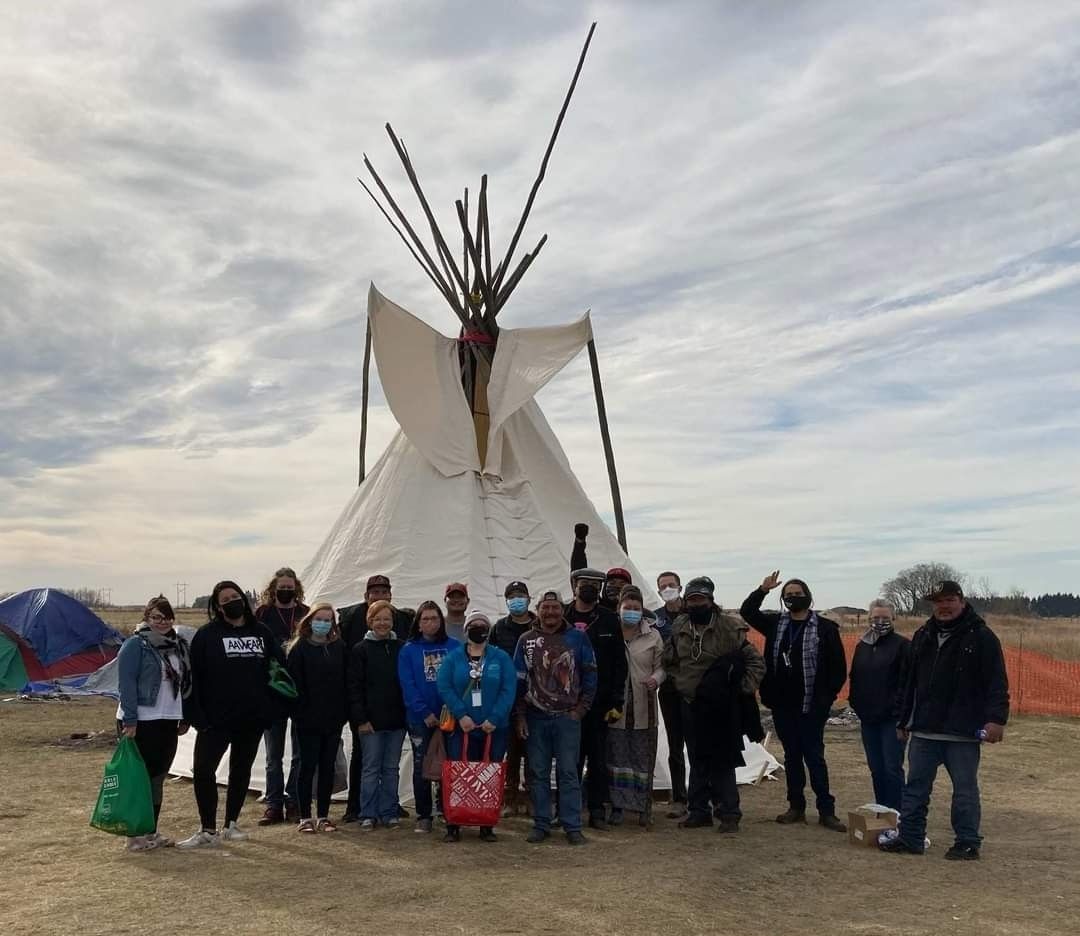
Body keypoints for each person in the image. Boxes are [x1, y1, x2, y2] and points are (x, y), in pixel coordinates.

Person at [881, 581, 1009, 860]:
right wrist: (903, 719)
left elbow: (996, 682)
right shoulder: (923, 635)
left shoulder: (982, 636)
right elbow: (908, 682)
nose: (943, 606)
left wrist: (996, 719)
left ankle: (967, 842)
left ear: (961, 601)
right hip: (924, 731)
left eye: (949, 600)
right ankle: (911, 838)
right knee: (915, 788)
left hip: (962, 732)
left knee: (964, 790)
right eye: (938, 602)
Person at [179, 581, 283, 849]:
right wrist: (195, 714)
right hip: (215, 719)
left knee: (241, 769)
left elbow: (278, 670)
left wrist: (269, 708)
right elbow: (193, 678)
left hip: (251, 718)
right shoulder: (206, 635)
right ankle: (207, 828)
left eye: (235, 596)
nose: (232, 602)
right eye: (225, 599)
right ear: (218, 606)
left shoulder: (261, 633)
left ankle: (231, 824)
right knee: (203, 770)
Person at [740, 572, 848, 832]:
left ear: (808, 597)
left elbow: (837, 670)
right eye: (788, 595)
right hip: (782, 704)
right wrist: (762, 589)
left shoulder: (825, 628)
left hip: (813, 704)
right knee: (791, 756)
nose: (793, 598)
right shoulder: (776, 624)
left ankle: (826, 810)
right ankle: (796, 806)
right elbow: (748, 611)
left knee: (814, 756)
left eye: (798, 594)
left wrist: (826, 699)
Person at [665, 578, 765, 833]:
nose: (696, 603)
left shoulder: (729, 628)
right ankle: (699, 811)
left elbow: (755, 662)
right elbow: (670, 659)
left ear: (711, 601)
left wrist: (739, 688)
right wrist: (680, 682)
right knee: (697, 758)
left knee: (722, 758)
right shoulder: (679, 626)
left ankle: (729, 812)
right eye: (692, 599)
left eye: (701, 599)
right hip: (690, 702)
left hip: (720, 705)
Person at [515, 589, 598, 846]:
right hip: (536, 716)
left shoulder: (578, 638)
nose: (550, 612)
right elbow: (518, 680)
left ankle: (572, 825)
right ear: (538, 610)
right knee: (537, 773)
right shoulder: (526, 640)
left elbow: (590, 673)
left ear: (562, 610)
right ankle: (541, 823)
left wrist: (581, 709)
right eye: (545, 607)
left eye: (555, 607)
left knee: (568, 773)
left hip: (567, 717)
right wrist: (520, 716)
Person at [115, 595, 191, 851]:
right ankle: (133, 835)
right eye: (156, 617)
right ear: (146, 617)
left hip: (167, 718)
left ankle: (150, 831)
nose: (162, 622)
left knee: (157, 778)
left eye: (167, 617)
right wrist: (130, 719)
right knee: (140, 779)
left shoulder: (177, 645)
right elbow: (126, 683)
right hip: (142, 719)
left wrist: (184, 716)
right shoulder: (135, 645)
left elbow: (185, 683)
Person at [437, 610, 517, 842]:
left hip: (494, 727)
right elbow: (444, 686)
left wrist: (495, 717)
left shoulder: (500, 658)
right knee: (460, 773)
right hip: (463, 727)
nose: (478, 629)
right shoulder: (454, 658)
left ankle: (486, 822)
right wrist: (461, 715)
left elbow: (508, 689)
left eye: (482, 625)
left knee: (488, 773)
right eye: (474, 625)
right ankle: (454, 823)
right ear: (466, 630)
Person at [338, 574, 412, 822]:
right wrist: (359, 717)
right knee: (368, 766)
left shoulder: (401, 647)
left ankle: (389, 809)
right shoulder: (360, 648)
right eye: (378, 619)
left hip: (395, 718)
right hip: (369, 719)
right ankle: (363, 810)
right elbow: (354, 686)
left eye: (387, 619)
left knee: (390, 768)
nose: (382, 623)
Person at [565, 565, 626, 831]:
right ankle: (570, 809)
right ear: (574, 586)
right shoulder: (562, 616)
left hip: (599, 702)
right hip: (567, 702)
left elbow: (618, 664)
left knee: (598, 759)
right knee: (571, 759)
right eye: (583, 582)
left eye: (594, 583)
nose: (588, 587)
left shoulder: (609, 619)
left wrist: (616, 700)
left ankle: (597, 810)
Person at [254, 566, 310, 826]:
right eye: (281, 587)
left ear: (295, 587)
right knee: (273, 754)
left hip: (300, 690)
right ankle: (274, 803)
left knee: (300, 753)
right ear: (274, 588)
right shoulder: (262, 614)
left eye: (290, 586)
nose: (285, 590)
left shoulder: (306, 613)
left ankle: (294, 800)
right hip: (272, 692)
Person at [398, 601, 460, 833]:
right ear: (418, 623)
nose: (430, 623)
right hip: (419, 718)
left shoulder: (454, 647)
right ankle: (424, 814)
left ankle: (445, 809)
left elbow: (460, 679)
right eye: (425, 619)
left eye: (434, 618)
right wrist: (424, 712)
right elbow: (408, 685)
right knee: (421, 764)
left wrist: (451, 709)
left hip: (450, 715)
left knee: (448, 763)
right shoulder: (409, 650)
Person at [286, 603, 348, 833]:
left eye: (328, 619)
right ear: (310, 620)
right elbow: (293, 686)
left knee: (327, 767)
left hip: (332, 718)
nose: (323, 623)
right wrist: (300, 713)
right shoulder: (299, 648)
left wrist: (342, 714)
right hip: (307, 719)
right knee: (307, 766)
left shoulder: (338, 647)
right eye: (319, 619)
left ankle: (323, 815)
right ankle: (305, 817)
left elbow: (344, 681)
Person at [606, 586, 664, 828]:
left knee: (643, 759)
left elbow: (662, 666)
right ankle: (618, 807)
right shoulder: (609, 633)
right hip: (617, 706)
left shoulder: (652, 636)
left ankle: (643, 808)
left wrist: (656, 679)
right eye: (627, 608)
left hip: (643, 705)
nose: (631, 612)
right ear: (619, 609)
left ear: (643, 610)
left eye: (636, 608)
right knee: (617, 757)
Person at [849, 598, 910, 812]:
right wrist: (856, 704)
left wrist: (901, 716)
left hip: (892, 719)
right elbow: (855, 677)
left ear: (893, 618)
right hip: (868, 718)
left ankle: (898, 814)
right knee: (876, 768)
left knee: (892, 768)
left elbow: (907, 683)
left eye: (884, 617)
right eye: (876, 618)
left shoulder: (903, 645)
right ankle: (881, 809)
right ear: (868, 619)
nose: (880, 621)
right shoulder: (862, 646)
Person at [491, 580, 536, 816]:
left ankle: (530, 796)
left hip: (536, 696)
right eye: (512, 596)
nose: (516, 600)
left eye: (521, 595)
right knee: (511, 748)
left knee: (533, 749)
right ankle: (509, 797)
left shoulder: (540, 625)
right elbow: (490, 659)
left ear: (529, 598)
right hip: (507, 696)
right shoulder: (499, 628)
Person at [652, 570, 687, 816]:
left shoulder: (694, 611)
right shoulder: (656, 619)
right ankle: (679, 797)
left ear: (680, 587)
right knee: (675, 745)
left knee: (699, 743)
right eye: (663, 586)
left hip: (695, 688)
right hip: (669, 688)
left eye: (671, 585)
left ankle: (703, 795)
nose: (667, 589)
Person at [337, 574, 413, 649]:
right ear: (366, 596)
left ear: (390, 596)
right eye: (376, 592)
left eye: (384, 592)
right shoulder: (350, 617)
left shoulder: (403, 619)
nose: (381, 596)